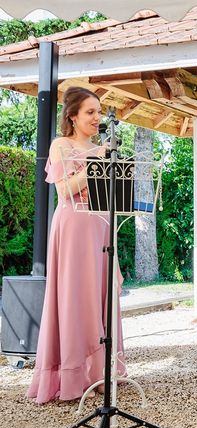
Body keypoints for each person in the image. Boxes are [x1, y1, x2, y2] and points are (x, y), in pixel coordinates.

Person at [27, 86, 126, 404]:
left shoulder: (102, 148)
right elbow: (63, 189)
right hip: (71, 228)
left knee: (100, 294)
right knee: (74, 296)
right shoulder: (61, 146)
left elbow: (113, 196)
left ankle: (100, 373)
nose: (98, 118)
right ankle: (71, 375)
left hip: (100, 227)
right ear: (72, 116)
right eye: (91, 112)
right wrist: (95, 163)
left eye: (99, 112)